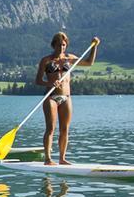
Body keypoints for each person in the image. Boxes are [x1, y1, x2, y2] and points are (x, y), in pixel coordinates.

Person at [34, 32, 99, 165]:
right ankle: (48, 159)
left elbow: (89, 63)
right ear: (53, 45)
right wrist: (49, 83)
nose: (61, 48)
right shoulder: (46, 60)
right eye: (59, 45)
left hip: (66, 97)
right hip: (51, 97)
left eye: (64, 45)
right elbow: (38, 80)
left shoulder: (70, 58)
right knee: (50, 128)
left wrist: (94, 47)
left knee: (65, 129)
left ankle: (62, 158)